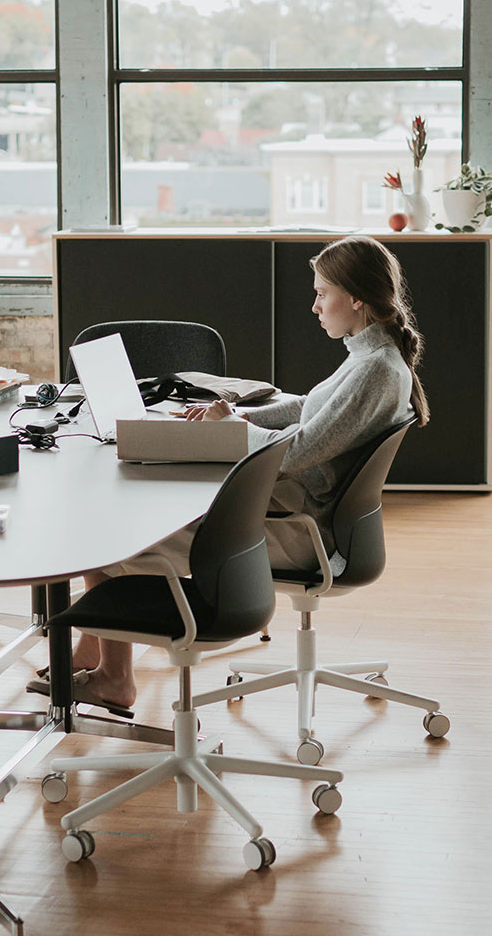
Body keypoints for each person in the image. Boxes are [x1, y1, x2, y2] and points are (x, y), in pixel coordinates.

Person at [38, 234, 428, 714]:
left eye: (322, 293)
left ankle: (114, 679)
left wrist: (231, 428)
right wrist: (233, 415)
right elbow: (307, 409)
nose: (314, 306)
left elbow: (297, 451)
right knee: (120, 524)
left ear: (356, 298)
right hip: (295, 509)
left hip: (301, 530)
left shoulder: (376, 371)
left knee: (116, 540)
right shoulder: (371, 356)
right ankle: (91, 656)